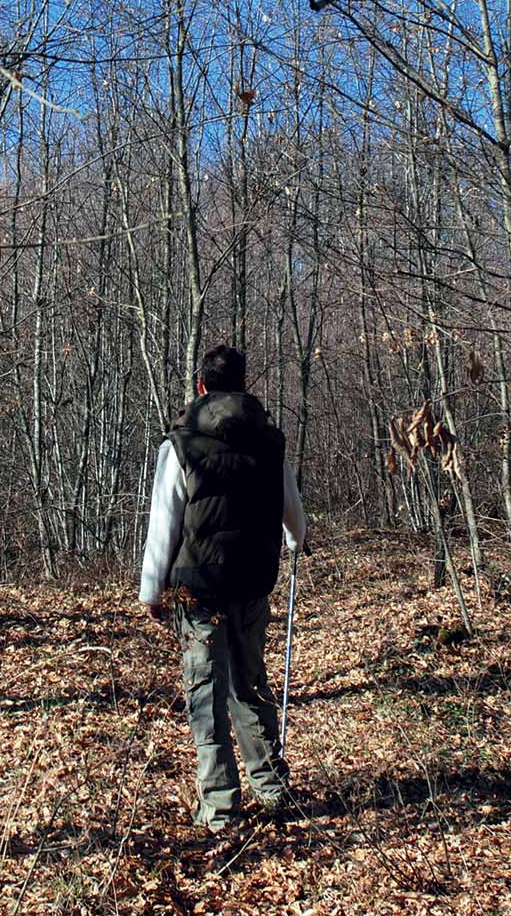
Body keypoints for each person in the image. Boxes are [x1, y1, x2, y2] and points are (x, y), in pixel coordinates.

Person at [138, 344, 307, 831]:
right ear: (242, 385)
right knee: (250, 686)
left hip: (198, 590)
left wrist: (152, 591)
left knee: (206, 695)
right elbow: (292, 513)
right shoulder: (269, 443)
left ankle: (219, 806)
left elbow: (164, 524)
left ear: (201, 387)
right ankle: (272, 788)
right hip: (252, 583)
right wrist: (296, 542)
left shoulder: (180, 445)